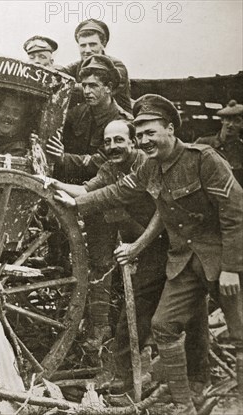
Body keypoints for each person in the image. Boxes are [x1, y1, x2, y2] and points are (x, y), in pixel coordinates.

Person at [56, 94, 243, 414]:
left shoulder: (204, 158)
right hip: (181, 260)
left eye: (150, 133)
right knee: (163, 325)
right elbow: (117, 191)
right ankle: (185, 404)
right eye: (140, 134)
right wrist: (74, 202)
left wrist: (230, 267)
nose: (144, 140)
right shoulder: (150, 168)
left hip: (221, 257)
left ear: (170, 129)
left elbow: (235, 213)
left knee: (240, 331)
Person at [49, 119, 209, 401]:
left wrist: (137, 245)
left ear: (132, 142)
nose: (113, 146)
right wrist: (53, 184)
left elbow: (162, 214)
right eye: (108, 141)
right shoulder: (111, 167)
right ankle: (128, 381)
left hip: (171, 243)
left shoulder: (146, 164)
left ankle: (194, 380)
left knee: (191, 312)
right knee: (134, 312)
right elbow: (92, 190)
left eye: (119, 140)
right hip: (146, 247)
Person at [46, 54, 132, 350]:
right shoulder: (79, 113)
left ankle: (102, 328)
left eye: (94, 85)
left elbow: (100, 163)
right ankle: (77, 317)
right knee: (70, 258)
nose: (87, 90)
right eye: (83, 84)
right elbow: (58, 135)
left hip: (112, 203)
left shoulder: (121, 123)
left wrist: (63, 159)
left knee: (101, 262)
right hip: (81, 190)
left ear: (110, 88)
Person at [59, 19, 131, 112]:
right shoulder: (76, 66)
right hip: (90, 118)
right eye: (83, 45)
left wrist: (69, 87)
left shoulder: (117, 66)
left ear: (103, 44)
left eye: (92, 44)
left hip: (117, 120)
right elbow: (60, 73)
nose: (87, 50)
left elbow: (99, 89)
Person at [196, 99, 243, 185]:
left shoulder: (241, 150)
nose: (231, 124)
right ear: (222, 120)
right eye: (228, 119)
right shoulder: (203, 143)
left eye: (237, 121)